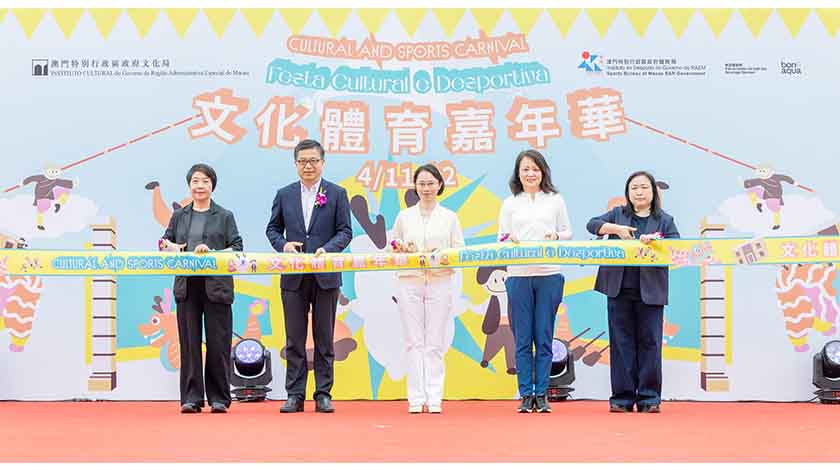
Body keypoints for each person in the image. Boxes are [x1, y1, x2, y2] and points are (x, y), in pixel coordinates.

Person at [266, 139, 352, 413]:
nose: (308, 166)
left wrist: (328, 249)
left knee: (324, 338)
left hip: (325, 275)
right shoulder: (284, 194)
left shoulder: (337, 193)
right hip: (294, 277)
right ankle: (295, 394)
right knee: (294, 339)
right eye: (302, 161)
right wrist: (284, 246)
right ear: (295, 164)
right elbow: (272, 229)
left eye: (313, 160)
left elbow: (345, 231)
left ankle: (323, 394)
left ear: (322, 163)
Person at [586, 170, 680, 413]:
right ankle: (622, 398)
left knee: (650, 343)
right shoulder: (618, 214)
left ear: (653, 192)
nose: (639, 192)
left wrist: (657, 243)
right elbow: (592, 225)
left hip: (651, 291)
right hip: (618, 289)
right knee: (621, 344)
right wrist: (616, 230)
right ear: (627, 193)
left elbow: (677, 248)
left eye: (644, 187)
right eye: (634, 188)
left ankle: (649, 398)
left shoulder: (665, 220)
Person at [161, 163, 243, 414]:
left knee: (218, 343)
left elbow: (237, 248)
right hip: (188, 286)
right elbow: (164, 243)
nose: (200, 186)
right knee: (189, 344)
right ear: (189, 185)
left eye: (205, 181)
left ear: (212, 186)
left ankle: (219, 398)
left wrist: (213, 253)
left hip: (217, 286)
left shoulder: (225, 215)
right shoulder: (179, 216)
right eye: (195, 181)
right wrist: (174, 247)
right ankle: (192, 398)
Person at [497, 149, 572, 413]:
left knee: (543, 337)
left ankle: (541, 394)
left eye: (535, 169)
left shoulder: (555, 200)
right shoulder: (510, 203)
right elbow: (501, 237)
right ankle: (525, 395)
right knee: (522, 339)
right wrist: (509, 239)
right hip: (519, 275)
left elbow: (567, 232)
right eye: (525, 169)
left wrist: (556, 236)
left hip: (548, 274)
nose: (530, 174)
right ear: (518, 173)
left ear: (543, 172)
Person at [390, 164, 465, 414]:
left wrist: (441, 255)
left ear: (439, 185)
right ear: (415, 186)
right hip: (409, 281)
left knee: (434, 342)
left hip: (439, 281)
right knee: (413, 342)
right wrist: (403, 247)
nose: (426, 188)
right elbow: (392, 246)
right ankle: (415, 398)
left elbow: (459, 250)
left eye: (431, 183)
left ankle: (434, 398)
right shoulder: (404, 216)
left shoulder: (449, 217)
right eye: (421, 184)